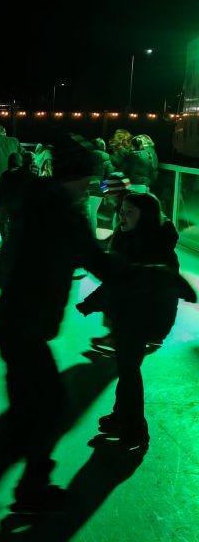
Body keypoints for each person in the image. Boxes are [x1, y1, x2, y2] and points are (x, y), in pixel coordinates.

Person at [0, 133, 117, 534]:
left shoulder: (33, 203)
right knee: (39, 413)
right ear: (74, 178)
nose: (88, 188)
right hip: (26, 328)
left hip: (14, 323)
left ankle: (16, 491)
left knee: (35, 412)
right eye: (87, 181)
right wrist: (155, 276)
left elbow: (4, 264)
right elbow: (100, 264)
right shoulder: (64, 214)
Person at [77, 192, 197, 451]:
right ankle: (122, 415)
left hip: (147, 317)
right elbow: (117, 277)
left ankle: (136, 428)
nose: (122, 215)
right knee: (127, 367)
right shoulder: (127, 239)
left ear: (146, 216)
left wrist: (96, 300)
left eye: (130, 211)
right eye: (122, 210)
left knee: (129, 370)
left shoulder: (158, 247)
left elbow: (139, 280)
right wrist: (94, 301)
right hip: (128, 314)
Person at [0, 151, 33, 242]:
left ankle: (6, 242)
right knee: (15, 224)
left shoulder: (5, 174)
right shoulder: (24, 174)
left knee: (3, 224)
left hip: (6, 203)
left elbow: (0, 191)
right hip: (19, 205)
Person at [0, 124, 24, 197]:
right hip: (13, 170)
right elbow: (23, 152)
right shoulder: (15, 140)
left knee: (0, 194)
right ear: (5, 132)